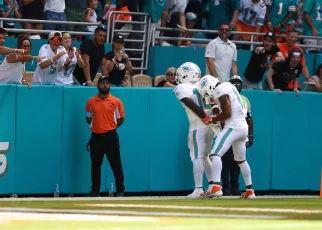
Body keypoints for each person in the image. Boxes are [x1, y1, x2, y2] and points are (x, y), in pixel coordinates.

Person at [198, 75, 255, 199]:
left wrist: (212, 119)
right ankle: (250, 190)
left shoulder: (221, 89)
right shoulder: (228, 86)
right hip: (242, 128)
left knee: (215, 154)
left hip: (233, 127)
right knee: (241, 160)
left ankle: (216, 187)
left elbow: (228, 113)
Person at [174, 62, 216, 199]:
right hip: (209, 125)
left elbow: (187, 100)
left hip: (198, 124)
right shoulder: (201, 84)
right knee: (205, 155)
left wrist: (204, 117)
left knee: (197, 155)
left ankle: (198, 189)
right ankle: (213, 186)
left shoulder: (182, 87)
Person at [85, 75, 125, 197]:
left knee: (116, 164)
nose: (105, 85)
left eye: (107, 83)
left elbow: (121, 119)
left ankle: (120, 190)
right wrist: (99, 126)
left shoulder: (116, 101)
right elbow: (88, 118)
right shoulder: (91, 101)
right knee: (95, 165)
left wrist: (110, 127)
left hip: (111, 136)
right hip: (96, 137)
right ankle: (95, 190)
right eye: (102, 83)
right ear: (98, 85)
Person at [221, 75, 254, 196]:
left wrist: (251, 135)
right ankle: (225, 188)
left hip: (241, 132)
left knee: (238, 162)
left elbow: (249, 118)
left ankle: (235, 187)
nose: (236, 86)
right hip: (228, 131)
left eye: (239, 83)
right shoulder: (225, 97)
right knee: (226, 161)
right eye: (233, 83)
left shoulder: (245, 99)